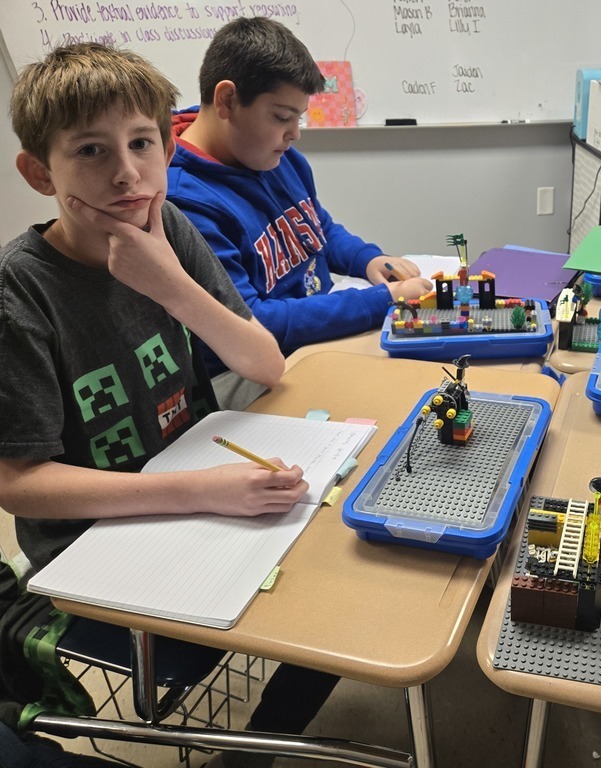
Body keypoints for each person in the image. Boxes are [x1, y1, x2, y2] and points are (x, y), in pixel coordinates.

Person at [0, 43, 318, 768]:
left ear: (167, 145)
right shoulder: (21, 294)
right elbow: (16, 482)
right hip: (93, 545)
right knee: (315, 606)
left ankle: (257, 743)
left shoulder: (166, 229)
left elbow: (263, 363)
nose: (127, 173)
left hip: (190, 487)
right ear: (39, 172)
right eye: (90, 151)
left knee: (342, 578)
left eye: (143, 143)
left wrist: (171, 284)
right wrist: (202, 490)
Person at [166, 16, 432, 410]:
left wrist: (367, 259)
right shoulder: (183, 201)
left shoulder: (276, 156)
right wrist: (383, 300)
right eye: (281, 117)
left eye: (299, 117)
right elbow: (253, 321)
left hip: (313, 336)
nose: (295, 134)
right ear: (226, 101)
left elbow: (316, 226)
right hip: (245, 372)